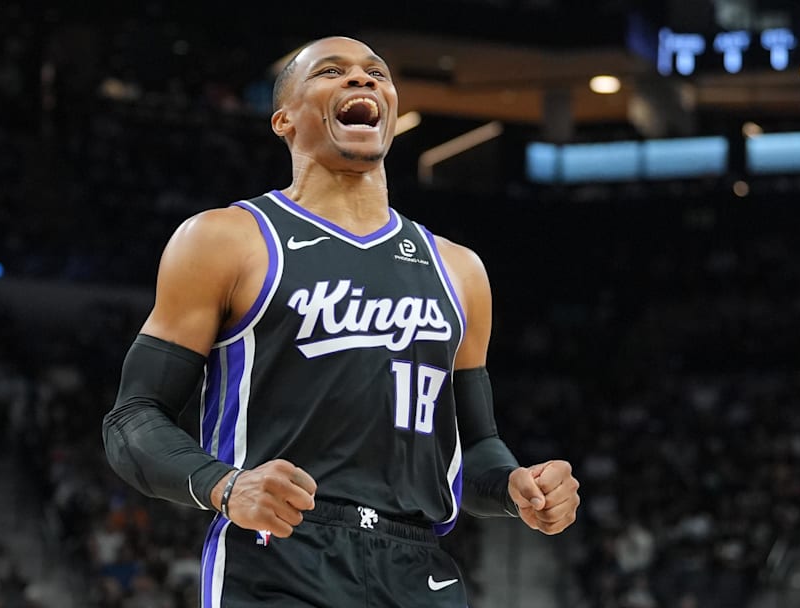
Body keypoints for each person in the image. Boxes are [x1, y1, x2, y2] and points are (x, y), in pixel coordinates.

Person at [102, 35, 581, 607]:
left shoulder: (459, 270)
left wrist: (515, 486)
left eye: (376, 72)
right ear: (284, 119)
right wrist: (223, 485)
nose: (363, 80)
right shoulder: (226, 239)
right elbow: (133, 417)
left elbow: (473, 443)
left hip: (417, 561)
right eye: (332, 71)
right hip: (279, 549)